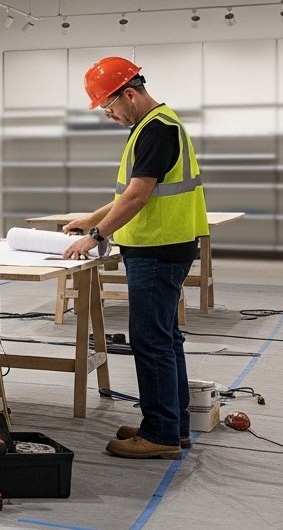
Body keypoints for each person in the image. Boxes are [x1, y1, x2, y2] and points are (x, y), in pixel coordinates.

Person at [63, 57, 208, 460]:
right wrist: (90, 219)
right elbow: (127, 194)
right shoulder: (154, 125)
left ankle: (160, 433)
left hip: (158, 250)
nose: (108, 115)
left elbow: (139, 195)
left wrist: (96, 235)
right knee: (165, 338)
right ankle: (170, 425)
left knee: (151, 340)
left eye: (109, 106)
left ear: (130, 93)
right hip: (162, 247)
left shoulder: (157, 129)